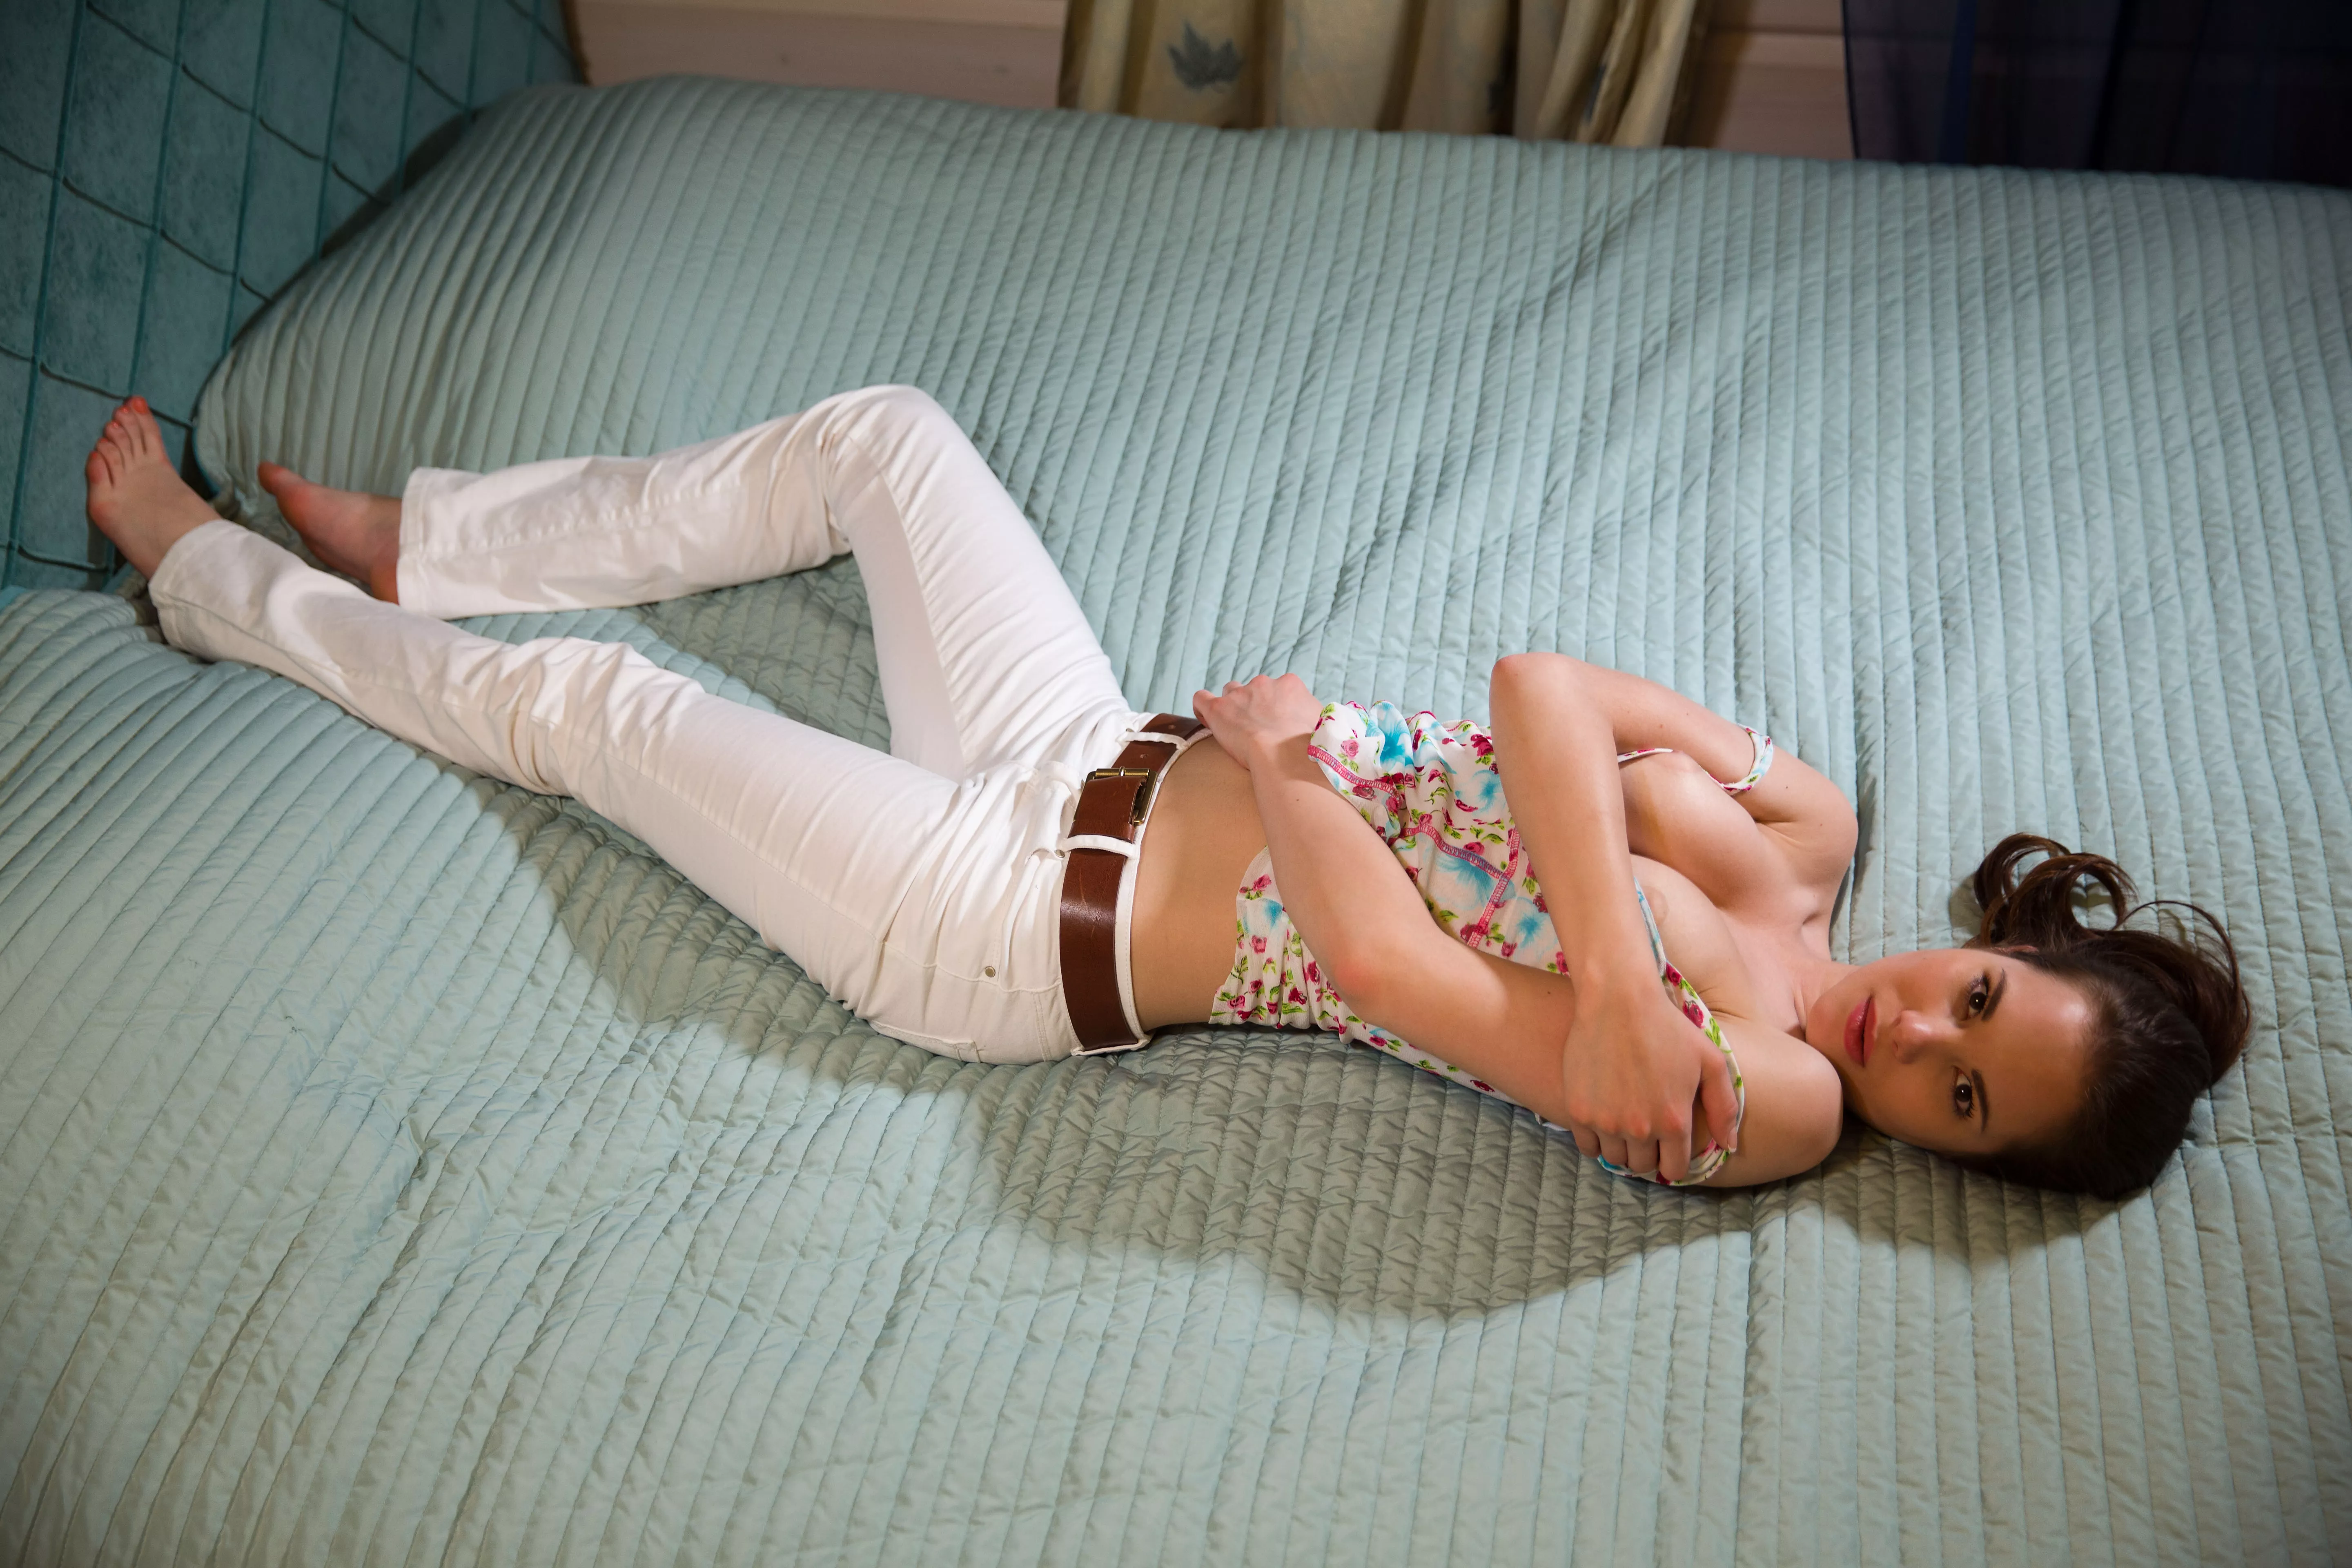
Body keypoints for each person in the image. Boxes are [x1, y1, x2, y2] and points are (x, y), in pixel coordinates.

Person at [83, 386, 2251, 1195]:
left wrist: (1292, 759)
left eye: (1968, 1101)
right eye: (1983, 1002)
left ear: (1953, 1157)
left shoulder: (1766, 1106)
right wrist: (1608, 961)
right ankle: (437, 542)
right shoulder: (1812, 846)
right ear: (1998, 940)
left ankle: (207, 580)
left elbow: (1393, 962)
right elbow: (1535, 685)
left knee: (593, 722)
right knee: (891, 443)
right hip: (1093, 749)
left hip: (1012, 920)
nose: (1920, 1039)